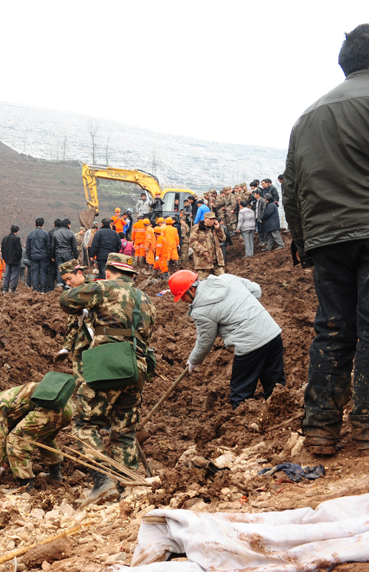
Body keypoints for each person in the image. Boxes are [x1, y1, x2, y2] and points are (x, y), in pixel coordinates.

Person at [282, 24, 369, 456]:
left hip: (327, 238)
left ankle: (320, 428)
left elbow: (290, 185)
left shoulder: (308, 116)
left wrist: (304, 241)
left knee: (333, 328)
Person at [59, 253, 155, 503]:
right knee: (125, 431)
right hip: (137, 369)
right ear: (131, 275)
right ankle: (131, 486)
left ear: (109, 271)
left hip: (107, 365)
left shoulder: (104, 287)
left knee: (84, 423)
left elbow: (66, 300)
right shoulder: (146, 298)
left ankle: (103, 481)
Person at [169, 270, 286, 409]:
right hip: (272, 333)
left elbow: (205, 341)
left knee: (241, 390)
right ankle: (279, 412)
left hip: (250, 345)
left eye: (182, 296)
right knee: (274, 381)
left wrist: (193, 361)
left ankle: (241, 424)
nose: (183, 301)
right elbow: (256, 290)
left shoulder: (201, 311)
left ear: (192, 289)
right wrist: (247, 312)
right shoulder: (226, 278)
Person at [0, 383, 73, 490]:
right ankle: (55, 475)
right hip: (66, 406)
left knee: (15, 439)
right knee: (43, 437)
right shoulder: (11, 400)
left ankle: (25, 488)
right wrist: (5, 464)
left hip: (50, 409)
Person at [189, 212, 227, 279]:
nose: (212, 221)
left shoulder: (215, 229)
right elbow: (193, 241)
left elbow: (223, 238)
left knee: (223, 280)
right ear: (205, 219)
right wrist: (202, 250)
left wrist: (218, 229)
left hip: (216, 261)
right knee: (204, 283)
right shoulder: (197, 228)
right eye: (210, 219)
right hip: (203, 263)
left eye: (213, 219)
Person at [26, 218, 52, 293]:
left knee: (35, 273)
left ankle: (35, 289)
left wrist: (29, 256)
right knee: (43, 272)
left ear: (35, 224)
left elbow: (28, 246)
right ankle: (43, 290)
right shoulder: (45, 234)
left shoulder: (30, 234)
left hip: (34, 256)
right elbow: (48, 246)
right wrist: (48, 256)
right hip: (43, 256)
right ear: (43, 225)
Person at [52, 219, 79, 290]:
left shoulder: (56, 233)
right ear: (68, 225)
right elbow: (74, 246)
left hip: (58, 254)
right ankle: (68, 285)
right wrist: (76, 257)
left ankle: (60, 285)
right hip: (68, 254)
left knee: (59, 270)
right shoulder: (71, 233)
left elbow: (53, 246)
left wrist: (52, 256)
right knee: (69, 270)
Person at [1, 225, 23, 293]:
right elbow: (19, 250)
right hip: (15, 261)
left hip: (7, 260)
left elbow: (3, 249)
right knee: (14, 274)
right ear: (17, 231)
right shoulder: (17, 238)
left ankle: (5, 289)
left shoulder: (5, 238)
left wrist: (5, 258)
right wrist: (18, 258)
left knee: (6, 274)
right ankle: (12, 289)